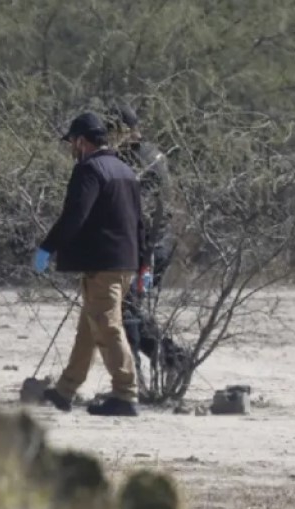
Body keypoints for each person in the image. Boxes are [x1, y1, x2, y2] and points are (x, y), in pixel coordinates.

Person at [33, 111, 146, 417]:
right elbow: (139, 222)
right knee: (89, 327)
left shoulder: (89, 170)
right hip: (124, 262)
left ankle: (125, 394)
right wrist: (143, 264)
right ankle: (64, 391)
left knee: (107, 326)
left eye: (72, 142)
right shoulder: (124, 169)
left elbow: (75, 215)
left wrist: (48, 247)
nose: (71, 148)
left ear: (81, 141)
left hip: (103, 263)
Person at [108, 102, 189, 385]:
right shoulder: (151, 154)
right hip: (155, 244)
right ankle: (170, 360)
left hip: (146, 247)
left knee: (126, 310)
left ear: (126, 130)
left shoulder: (134, 160)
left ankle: (140, 374)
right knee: (128, 309)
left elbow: (139, 209)